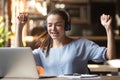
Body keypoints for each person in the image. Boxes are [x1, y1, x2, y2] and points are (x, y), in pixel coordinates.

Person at [15, 9, 116, 76]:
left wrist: (108, 29)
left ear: (67, 26)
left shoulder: (82, 45)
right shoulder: (42, 51)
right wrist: (19, 28)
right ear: (46, 27)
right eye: (50, 25)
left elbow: (110, 55)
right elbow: (19, 58)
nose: (53, 29)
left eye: (58, 25)